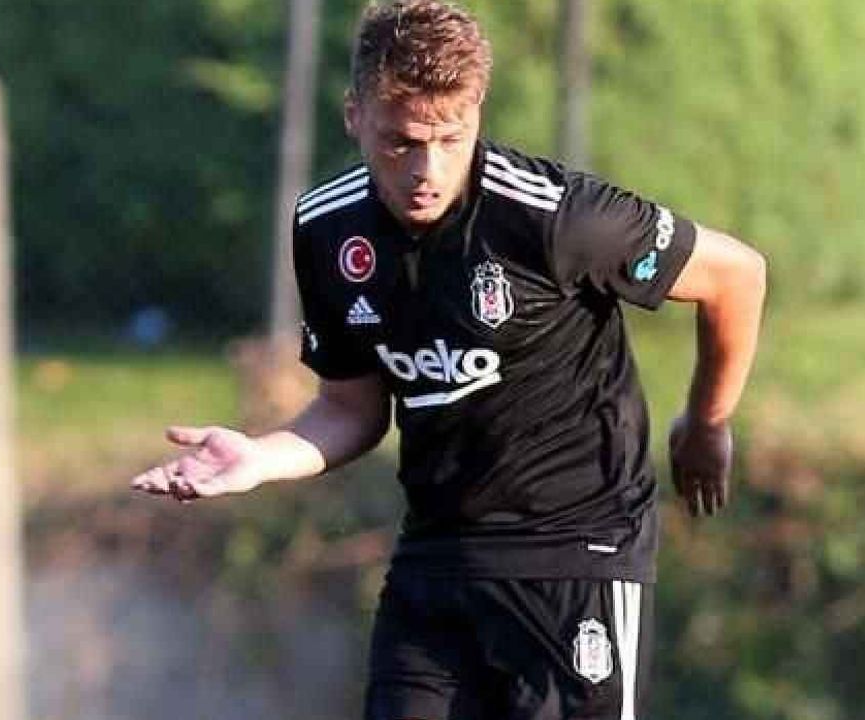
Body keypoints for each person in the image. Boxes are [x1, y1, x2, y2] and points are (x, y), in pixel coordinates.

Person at [131, 1, 766, 718]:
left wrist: (706, 422)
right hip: (436, 563)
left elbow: (736, 276)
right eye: (401, 142)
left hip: (574, 558)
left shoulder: (556, 217)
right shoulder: (328, 229)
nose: (425, 170)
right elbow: (350, 410)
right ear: (354, 116)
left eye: (449, 139)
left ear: (476, 114)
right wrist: (259, 457)